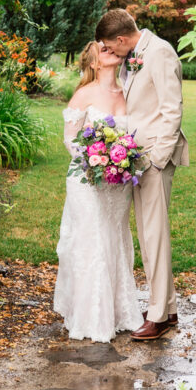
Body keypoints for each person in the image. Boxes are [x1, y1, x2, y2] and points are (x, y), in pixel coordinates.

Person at [95, 9, 189, 341]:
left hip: (154, 159)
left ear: (122, 39)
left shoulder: (160, 52)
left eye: (111, 47)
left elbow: (171, 109)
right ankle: (170, 306)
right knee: (149, 235)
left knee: (154, 235)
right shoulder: (133, 55)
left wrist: (158, 159)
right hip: (137, 159)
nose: (112, 53)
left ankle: (159, 316)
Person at [54, 40, 144, 342]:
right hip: (88, 180)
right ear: (94, 62)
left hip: (119, 183)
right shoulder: (85, 93)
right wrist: (100, 159)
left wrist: (121, 162)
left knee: (115, 237)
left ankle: (119, 312)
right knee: (92, 240)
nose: (111, 50)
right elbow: (70, 140)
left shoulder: (129, 92)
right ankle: (91, 317)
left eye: (112, 47)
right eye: (103, 49)